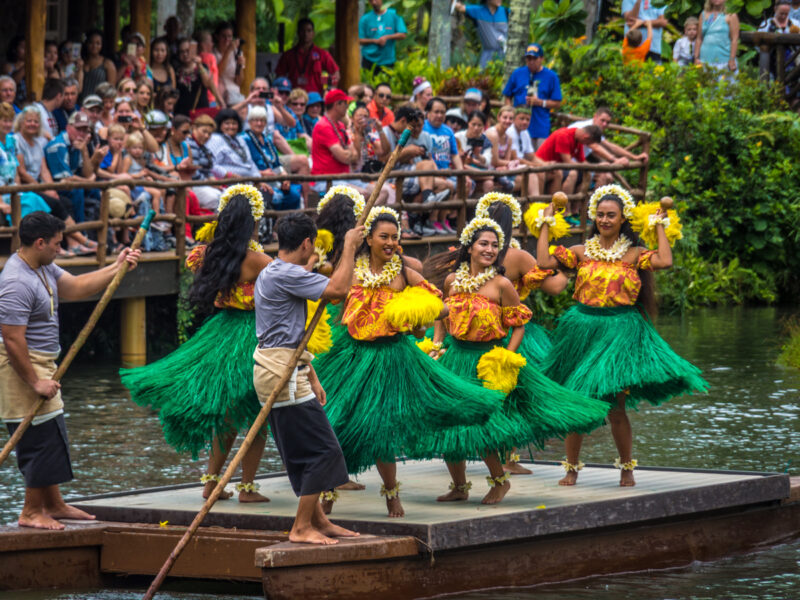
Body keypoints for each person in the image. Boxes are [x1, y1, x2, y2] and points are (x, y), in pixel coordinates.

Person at [313, 207, 500, 516]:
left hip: (392, 358)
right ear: (369, 239)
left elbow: (440, 308)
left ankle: (391, 495)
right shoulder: (353, 270)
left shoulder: (403, 273)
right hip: (352, 357)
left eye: (394, 237)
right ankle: (329, 492)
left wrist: (414, 315)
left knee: (381, 429)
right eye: (383, 237)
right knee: (336, 423)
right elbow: (333, 295)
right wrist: (346, 250)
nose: (390, 242)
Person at [424, 216, 608, 504]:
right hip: (456, 357)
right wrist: (436, 346)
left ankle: (499, 481)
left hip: (488, 360)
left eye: (495, 245)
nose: (489, 249)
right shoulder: (452, 281)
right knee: (450, 422)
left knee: (480, 423)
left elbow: (518, 324)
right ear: (469, 247)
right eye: (483, 243)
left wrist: (507, 354)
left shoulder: (501, 285)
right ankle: (459, 486)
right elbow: (443, 318)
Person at [537, 185, 708, 487]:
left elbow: (665, 261)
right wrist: (546, 224)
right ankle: (571, 468)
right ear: (594, 216)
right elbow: (545, 263)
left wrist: (659, 226)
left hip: (619, 330)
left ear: (622, 218)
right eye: (600, 214)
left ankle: (626, 468)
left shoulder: (634, 254)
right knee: (578, 400)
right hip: (583, 329)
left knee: (616, 407)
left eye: (611, 215)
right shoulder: (580, 251)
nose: (605, 220)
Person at [122, 186, 273, 502]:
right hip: (252, 335)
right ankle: (247, 488)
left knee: (229, 415)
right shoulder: (260, 259)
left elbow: (199, 265)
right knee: (259, 415)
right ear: (253, 223)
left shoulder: (208, 254)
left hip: (220, 333)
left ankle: (211, 482)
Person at [1, 212, 140, 530]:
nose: (60, 250)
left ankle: (54, 504)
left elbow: (76, 287)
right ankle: (31, 511)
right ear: (39, 243)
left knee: (52, 431)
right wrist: (35, 382)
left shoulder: (42, 265)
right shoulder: (15, 282)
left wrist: (117, 267)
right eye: (56, 244)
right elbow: (11, 339)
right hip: (21, 367)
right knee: (38, 438)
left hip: (42, 363)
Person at [253, 211, 361, 544]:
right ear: (306, 243)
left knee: (302, 449)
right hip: (280, 373)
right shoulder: (285, 273)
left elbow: (290, 334)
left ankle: (319, 520)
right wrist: (349, 247)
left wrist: (311, 373)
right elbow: (339, 289)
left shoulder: (274, 270)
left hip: (285, 366)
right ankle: (300, 527)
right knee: (323, 451)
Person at [44, 111, 105, 224]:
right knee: (77, 190)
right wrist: (88, 181)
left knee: (95, 191)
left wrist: (84, 151)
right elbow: (67, 179)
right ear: (68, 127)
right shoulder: (58, 145)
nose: (81, 134)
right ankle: (80, 230)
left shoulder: (78, 144)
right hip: (53, 185)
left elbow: (87, 172)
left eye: (84, 130)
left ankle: (98, 230)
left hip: (69, 183)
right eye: (78, 129)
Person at [240, 106, 303, 210]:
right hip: (255, 181)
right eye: (256, 120)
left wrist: (284, 176)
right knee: (276, 197)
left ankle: (288, 224)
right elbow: (243, 167)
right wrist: (260, 173)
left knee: (294, 196)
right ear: (250, 122)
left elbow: (276, 164)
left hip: (274, 180)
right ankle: (273, 225)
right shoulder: (244, 140)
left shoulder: (268, 141)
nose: (259, 123)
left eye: (262, 120)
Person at [502, 44, 562, 149]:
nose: (531, 61)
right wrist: (511, 112)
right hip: (518, 126)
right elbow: (507, 96)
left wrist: (540, 102)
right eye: (529, 58)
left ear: (542, 59)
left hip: (540, 126)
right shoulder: (517, 73)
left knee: (539, 157)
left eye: (535, 58)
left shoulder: (551, 76)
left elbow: (557, 103)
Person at [310, 89, 366, 196]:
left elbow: (355, 156)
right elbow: (345, 157)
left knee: (382, 192)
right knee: (363, 194)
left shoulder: (340, 125)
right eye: (345, 103)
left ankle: (365, 213)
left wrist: (358, 134)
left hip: (343, 177)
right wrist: (349, 154)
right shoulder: (323, 126)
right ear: (337, 104)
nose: (347, 106)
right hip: (325, 179)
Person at [276, 18, 341, 94]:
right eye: (302, 31)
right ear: (298, 33)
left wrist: (329, 89)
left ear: (313, 33)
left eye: (309, 31)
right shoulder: (288, 55)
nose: (306, 34)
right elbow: (279, 76)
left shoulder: (322, 54)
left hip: (315, 99)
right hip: (294, 98)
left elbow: (336, 73)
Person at [535, 125, 602, 195]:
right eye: (588, 143)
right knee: (573, 174)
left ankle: (577, 204)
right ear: (586, 137)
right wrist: (588, 167)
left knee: (586, 174)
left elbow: (582, 161)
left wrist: (596, 168)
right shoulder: (563, 135)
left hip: (558, 168)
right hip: (544, 166)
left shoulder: (578, 140)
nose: (586, 145)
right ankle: (565, 203)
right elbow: (568, 162)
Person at [174, 38, 225, 116]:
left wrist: (199, 65)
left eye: (188, 51)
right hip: (182, 112)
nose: (185, 54)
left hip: (200, 110)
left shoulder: (202, 67)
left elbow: (208, 84)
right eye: (182, 52)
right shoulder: (176, 71)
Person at [454, 0, 508, 68]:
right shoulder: (478, 11)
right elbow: (460, 8)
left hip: (505, 57)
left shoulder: (506, 12)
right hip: (487, 59)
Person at [186, 114, 224, 211]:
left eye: (209, 134)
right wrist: (211, 183)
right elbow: (194, 173)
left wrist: (214, 182)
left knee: (231, 195)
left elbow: (208, 170)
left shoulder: (204, 148)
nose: (206, 136)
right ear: (194, 128)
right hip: (193, 184)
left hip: (205, 184)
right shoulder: (189, 144)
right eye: (204, 131)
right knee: (217, 198)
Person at [359, 0, 408, 73]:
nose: (374, 2)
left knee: (386, 83)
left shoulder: (394, 14)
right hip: (368, 59)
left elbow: (403, 34)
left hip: (388, 60)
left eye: (376, 0)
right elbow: (359, 40)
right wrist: (375, 41)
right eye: (371, 1)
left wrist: (387, 37)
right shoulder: (365, 19)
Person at [695, 0, 740, 72]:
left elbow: (734, 39)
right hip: (705, 60)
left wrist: (732, 59)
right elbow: (699, 39)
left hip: (724, 61)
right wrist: (696, 57)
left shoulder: (731, 15)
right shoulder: (703, 14)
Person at [213, 23, 244, 105]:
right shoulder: (213, 54)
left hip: (234, 94)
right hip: (219, 94)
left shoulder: (237, 53)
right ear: (217, 37)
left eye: (229, 36)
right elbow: (218, 73)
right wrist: (228, 51)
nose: (227, 39)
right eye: (223, 36)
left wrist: (240, 66)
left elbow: (239, 82)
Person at [81, 30, 117, 99]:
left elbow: (111, 89)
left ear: (102, 45)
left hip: (98, 104)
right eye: (91, 42)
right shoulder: (81, 62)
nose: (94, 46)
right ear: (86, 43)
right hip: (80, 102)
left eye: (98, 43)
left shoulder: (107, 64)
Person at [4, 36, 26, 106]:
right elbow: (12, 81)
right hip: (14, 103)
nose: (26, 50)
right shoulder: (9, 66)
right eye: (23, 48)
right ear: (14, 50)